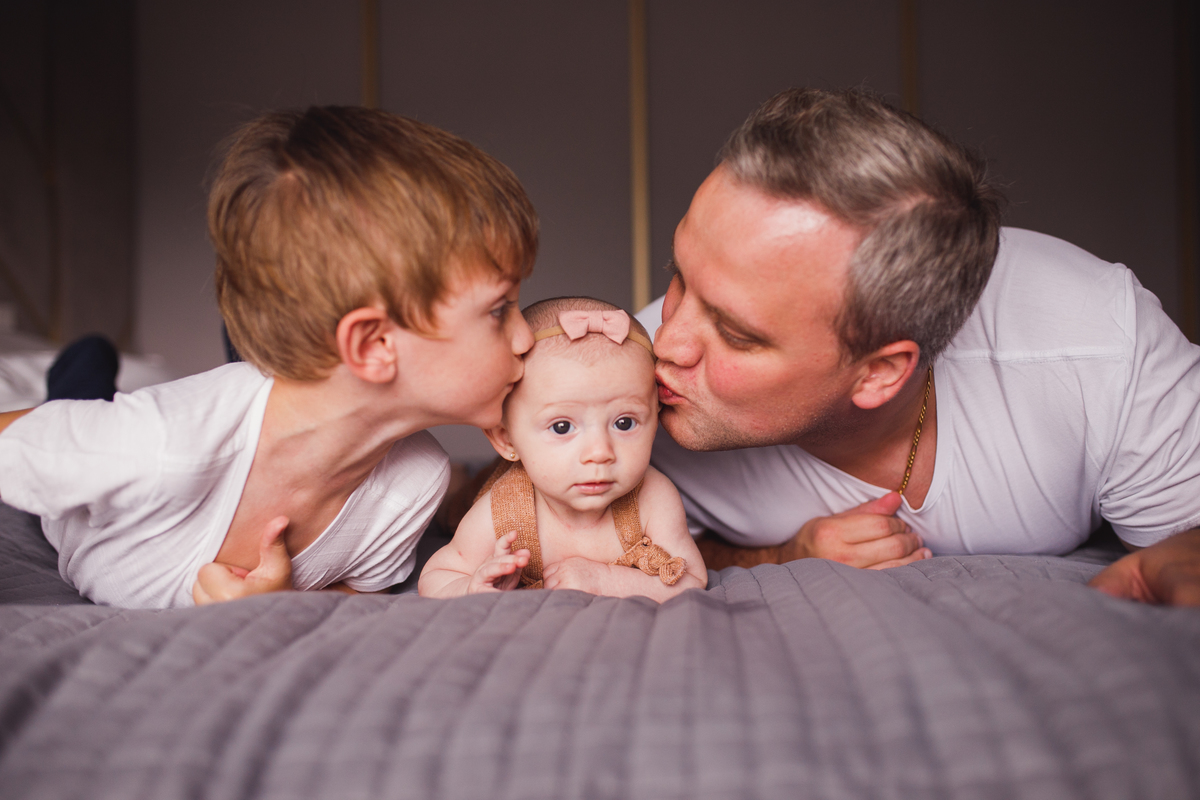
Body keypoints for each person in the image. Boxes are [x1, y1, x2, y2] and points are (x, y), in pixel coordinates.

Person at [634, 87, 1200, 605]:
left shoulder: (1095, 344)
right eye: (677, 274)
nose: (667, 340)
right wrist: (776, 557)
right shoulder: (620, 385)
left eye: (735, 334)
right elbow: (585, 540)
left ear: (880, 373)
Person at [0, 106, 538, 609]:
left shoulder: (416, 481)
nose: (526, 338)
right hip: (115, 460)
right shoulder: (159, 445)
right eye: (499, 311)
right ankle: (78, 371)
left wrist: (278, 604)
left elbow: (359, 597)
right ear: (373, 345)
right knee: (79, 402)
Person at [419, 297, 707, 600]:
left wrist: (608, 581)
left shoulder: (654, 498)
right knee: (454, 510)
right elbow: (439, 575)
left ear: (656, 420)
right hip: (501, 484)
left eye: (624, 423)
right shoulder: (500, 513)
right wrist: (471, 586)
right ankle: (460, 482)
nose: (599, 452)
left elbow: (693, 579)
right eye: (562, 427)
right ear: (507, 438)